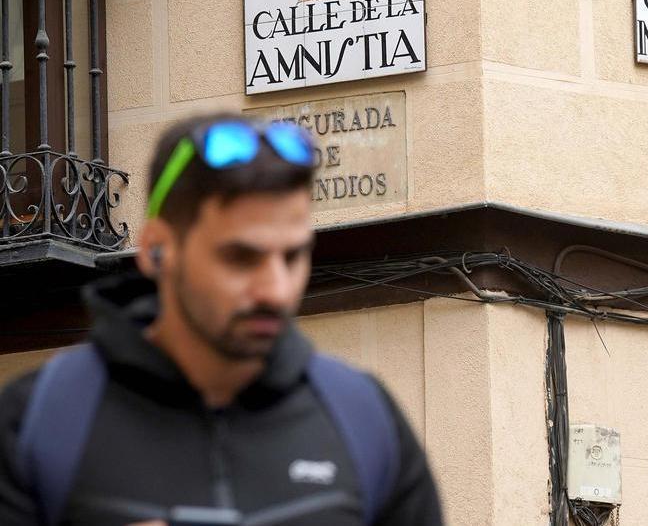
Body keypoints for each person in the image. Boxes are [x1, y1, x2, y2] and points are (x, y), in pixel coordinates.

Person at [0, 113, 443, 526]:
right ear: (157, 250)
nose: (275, 289)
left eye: (292, 255)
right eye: (240, 258)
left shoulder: (367, 422)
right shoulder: (34, 425)